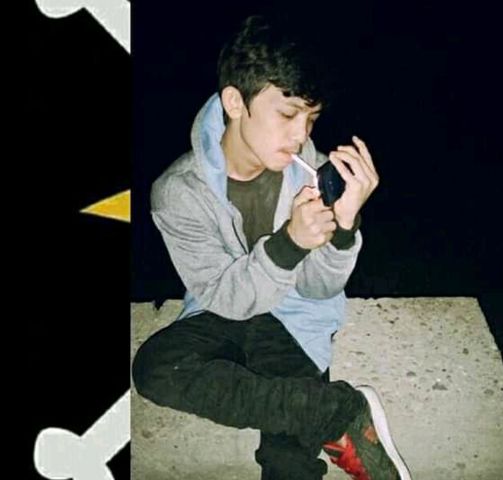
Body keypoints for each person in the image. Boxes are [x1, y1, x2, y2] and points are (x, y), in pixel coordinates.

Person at [131, 14, 411, 480]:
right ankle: (337, 410)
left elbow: (319, 288)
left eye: (310, 118)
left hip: (295, 319)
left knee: (287, 464)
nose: (301, 136)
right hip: (222, 311)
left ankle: (315, 413)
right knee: (157, 368)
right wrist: (289, 243)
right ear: (235, 102)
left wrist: (343, 228)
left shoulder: (310, 172)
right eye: (287, 114)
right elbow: (224, 296)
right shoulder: (179, 193)